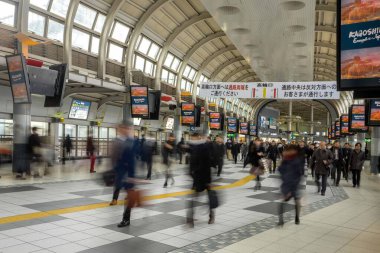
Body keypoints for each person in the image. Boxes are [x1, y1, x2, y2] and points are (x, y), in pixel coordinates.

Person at [187, 133, 216, 227]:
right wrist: (192, 174)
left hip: (205, 177)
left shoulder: (205, 148)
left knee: (209, 197)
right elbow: (191, 163)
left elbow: (208, 163)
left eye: (194, 138)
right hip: (198, 177)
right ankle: (190, 218)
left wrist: (209, 180)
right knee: (194, 198)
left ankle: (211, 215)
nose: (193, 140)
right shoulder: (193, 148)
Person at [116, 124, 138, 227]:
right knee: (127, 197)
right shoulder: (122, 141)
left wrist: (131, 176)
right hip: (122, 174)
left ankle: (126, 219)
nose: (120, 130)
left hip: (129, 175)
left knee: (128, 197)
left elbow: (132, 161)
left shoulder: (131, 142)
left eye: (122, 128)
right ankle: (126, 218)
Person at [278, 144, 303, 226]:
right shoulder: (285, 160)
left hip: (294, 185)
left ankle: (297, 217)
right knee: (283, 201)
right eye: (286, 150)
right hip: (286, 184)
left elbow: (299, 175)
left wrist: (291, 189)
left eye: (290, 150)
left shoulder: (297, 160)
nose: (287, 152)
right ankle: (281, 220)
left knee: (297, 201)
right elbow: (281, 171)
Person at [110, 125, 130, 206]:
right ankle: (114, 199)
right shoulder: (116, 140)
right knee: (117, 183)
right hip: (118, 165)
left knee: (126, 181)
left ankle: (128, 195)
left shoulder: (129, 141)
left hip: (127, 165)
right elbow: (113, 153)